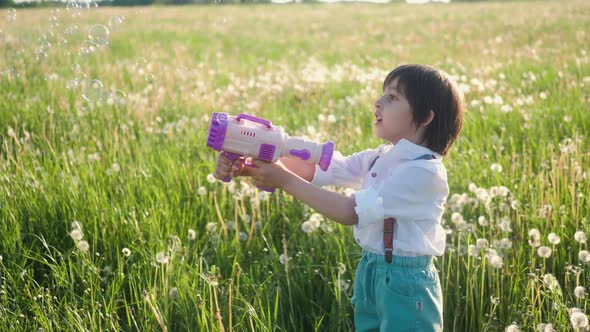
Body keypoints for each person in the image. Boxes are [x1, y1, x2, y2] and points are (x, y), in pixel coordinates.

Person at [213, 64, 465, 331]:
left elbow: (349, 211)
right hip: (371, 269)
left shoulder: (423, 172)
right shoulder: (381, 157)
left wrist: (283, 179)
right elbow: (322, 168)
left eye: (392, 97)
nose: (378, 103)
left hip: (407, 279)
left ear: (425, 117)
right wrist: (252, 161)